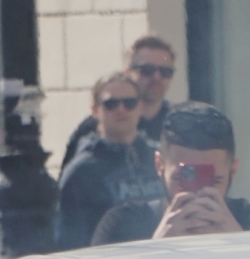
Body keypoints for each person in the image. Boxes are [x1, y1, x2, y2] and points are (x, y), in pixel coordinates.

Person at [90, 102, 250, 245]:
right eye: (182, 177)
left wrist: (240, 244)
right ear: (159, 165)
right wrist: (156, 248)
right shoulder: (121, 226)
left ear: (233, 170)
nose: (198, 193)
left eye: (212, 180)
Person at [55, 72, 164, 249]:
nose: (120, 110)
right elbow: (69, 240)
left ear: (140, 107)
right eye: (111, 104)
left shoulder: (161, 157)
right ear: (95, 110)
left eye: (129, 103)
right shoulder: (81, 171)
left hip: (163, 258)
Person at [60, 34, 177, 164]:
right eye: (147, 70)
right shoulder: (95, 125)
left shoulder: (180, 124)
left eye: (165, 72)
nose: (156, 77)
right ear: (127, 73)